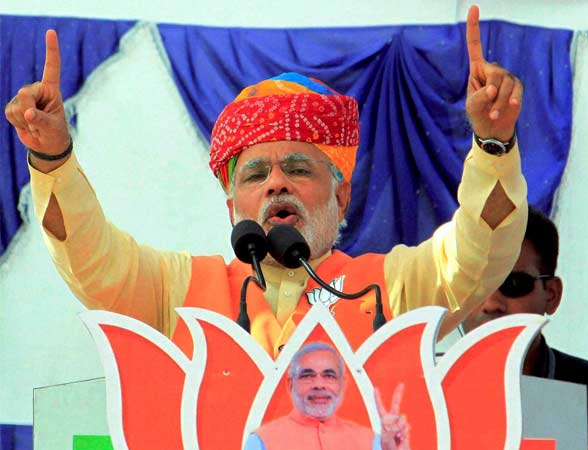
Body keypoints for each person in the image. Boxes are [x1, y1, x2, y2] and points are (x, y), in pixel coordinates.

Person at [4, 6, 527, 357]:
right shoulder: (177, 289)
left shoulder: (390, 287)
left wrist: (493, 145)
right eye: (255, 174)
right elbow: (88, 259)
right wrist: (52, 158)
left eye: (298, 168)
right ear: (232, 206)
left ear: (341, 195)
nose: (277, 182)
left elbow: (480, 252)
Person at [462, 206, 588, 450]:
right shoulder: (416, 395)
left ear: (551, 295)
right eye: (474, 285)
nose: (491, 303)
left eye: (514, 283)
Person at [244, 342, 410, 450]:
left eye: (329, 376)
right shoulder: (261, 441)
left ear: (342, 384)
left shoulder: (371, 441)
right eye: (308, 375)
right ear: (290, 384)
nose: (319, 384)